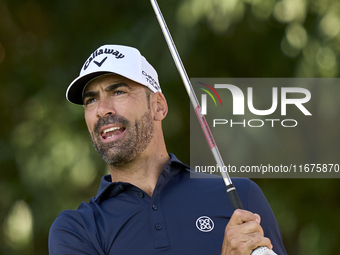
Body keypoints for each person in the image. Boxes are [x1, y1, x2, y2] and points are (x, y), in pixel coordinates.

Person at [49, 44, 287, 255]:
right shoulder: (78, 229)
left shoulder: (240, 197)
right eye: (91, 100)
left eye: (118, 92)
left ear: (158, 107)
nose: (102, 109)